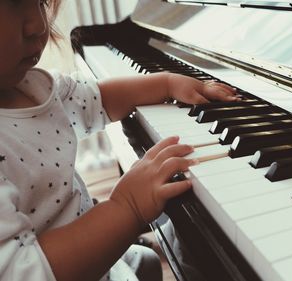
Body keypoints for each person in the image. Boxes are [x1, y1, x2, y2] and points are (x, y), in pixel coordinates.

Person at [0, 0, 238, 280]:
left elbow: (97, 98)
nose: (39, 25)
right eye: (14, 4)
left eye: (40, 2)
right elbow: (22, 271)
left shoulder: (31, 85)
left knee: (148, 261)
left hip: (94, 260)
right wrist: (127, 207)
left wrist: (166, 84)